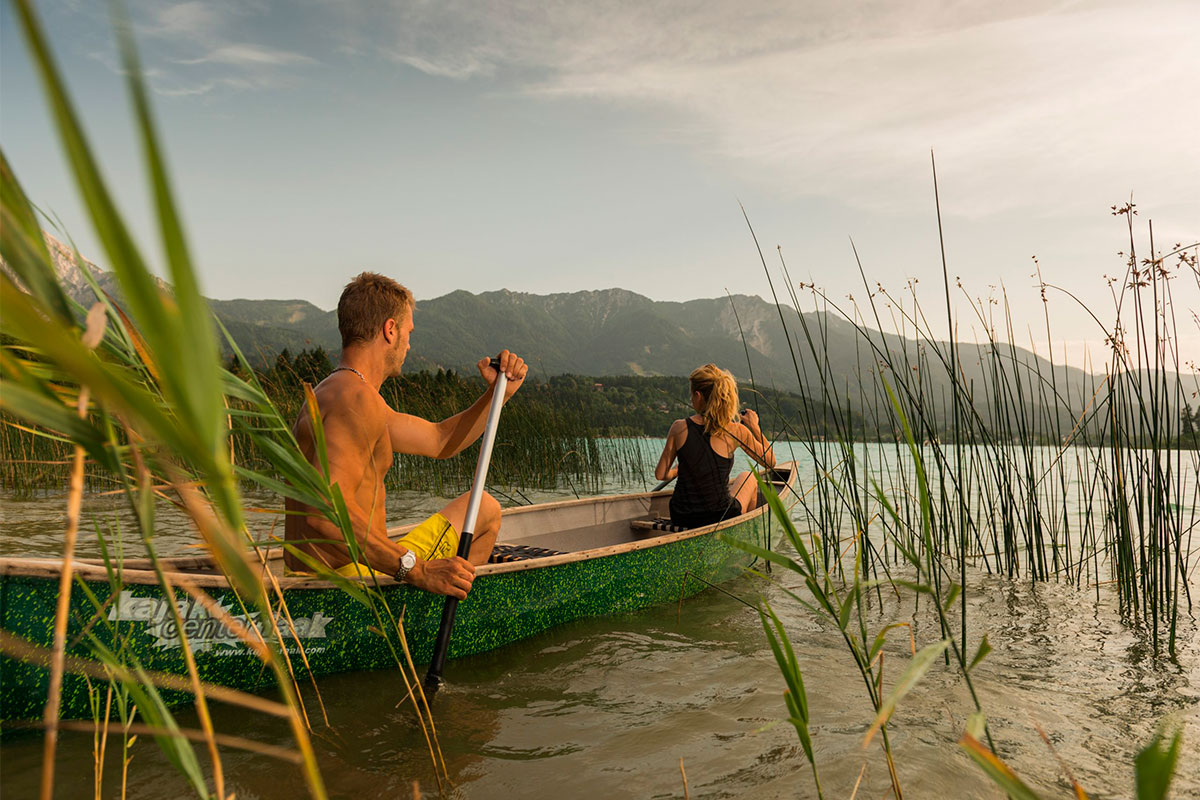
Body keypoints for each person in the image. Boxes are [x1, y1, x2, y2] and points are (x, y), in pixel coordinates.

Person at [284, 272, 528, 599]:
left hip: (318, 574)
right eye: (408, 332)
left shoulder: (336, 393)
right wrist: (418, 569)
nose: (409, 344)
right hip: (346, 584)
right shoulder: (355, 403)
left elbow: (441, 440)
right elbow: (323, 513)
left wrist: (499, 395)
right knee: (485, 509)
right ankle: (449, 618)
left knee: (480, 505)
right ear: (390, 329)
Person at [654, 364, 775, 528]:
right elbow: (770, 462)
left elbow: (661, 474)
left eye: (691, 395)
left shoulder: (679, 427)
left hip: (681, 516)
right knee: (748, 477)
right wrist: (755, 427)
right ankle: (743, 532)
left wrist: (677, 469)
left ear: (698, 396)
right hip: (718, 517)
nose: (690, 399)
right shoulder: (737, 431)